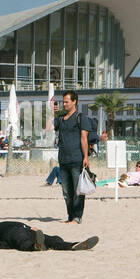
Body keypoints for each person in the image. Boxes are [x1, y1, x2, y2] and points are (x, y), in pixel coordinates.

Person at [54, 90, 89, 225]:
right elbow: (48, 127)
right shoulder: (61, 119)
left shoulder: (81, 118)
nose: (64, 104)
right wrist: (53, 112)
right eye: (63, 102)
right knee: (66, 192)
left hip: (76, 159)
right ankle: (70, 216)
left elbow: (84, 139)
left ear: (74, 101)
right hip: (63, 160)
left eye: (66, 102)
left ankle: (77, 217)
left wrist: (85, 157)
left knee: (77, 191)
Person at [0, 220, 98, 251]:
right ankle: (36, 246)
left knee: (52, 239)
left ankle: (74, 245)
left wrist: (31, 228)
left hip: (24, 230)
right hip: (19, 231)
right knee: (50, 240)